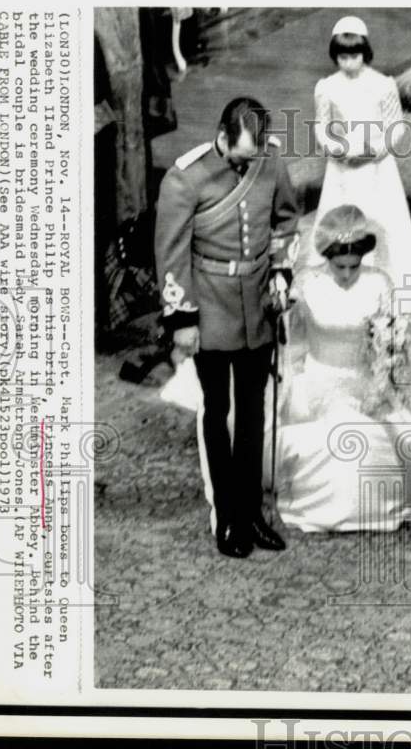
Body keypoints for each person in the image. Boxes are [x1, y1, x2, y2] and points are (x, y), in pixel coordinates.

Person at [266, 204, 411, 532]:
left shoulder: (378, 283)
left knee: (374, 438)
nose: (346, 274)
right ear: (326, 259)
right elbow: (290, 342)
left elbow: (392, 348)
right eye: (339, 266)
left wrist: (383, 387)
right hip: (316, 382)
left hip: (365, 382)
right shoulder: (306, 284)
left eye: (354, 266)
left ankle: (377, 498)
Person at [154, 96, 300, 558]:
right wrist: (181, 320)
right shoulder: (185, 177)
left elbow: (285, 220)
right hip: (210, 306)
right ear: (221, 136)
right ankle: (227, 518)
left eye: (253, 156)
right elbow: (172, 253)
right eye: (240, 155)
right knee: (216, 412)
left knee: (254, 412)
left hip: (256, 302)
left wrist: (280, 274)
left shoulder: (270, 161)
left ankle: (252, 513)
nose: (248, 164)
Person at [306, 15, 411, 306]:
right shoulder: (327, 87)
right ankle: (341, 298)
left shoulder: (383, 84)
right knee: (342, 226)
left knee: (383, 224)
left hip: (376, 169)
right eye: (343, 57)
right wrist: (336, 147)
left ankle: (389, 299)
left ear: (366, 53)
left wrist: (374, 148)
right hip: (343, 171)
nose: (349, 63)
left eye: (355, 56)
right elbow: (321, 126)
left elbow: (396, 125)